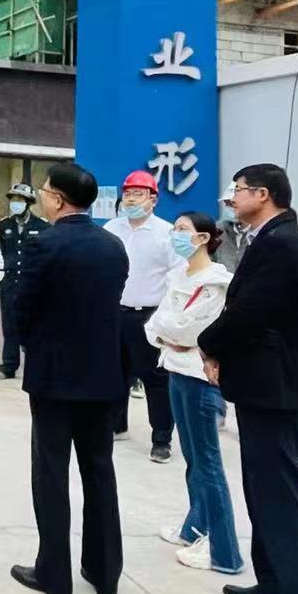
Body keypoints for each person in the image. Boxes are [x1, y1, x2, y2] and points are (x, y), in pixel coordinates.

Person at [198, 163, 298, 594]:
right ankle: (272, 586)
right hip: (260, 387)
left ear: (263, 194)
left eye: (239, 190)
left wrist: (209, 343)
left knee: (279, 503)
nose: (233, 198)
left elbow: (250, 313)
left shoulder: (281, 244)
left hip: (275, 390)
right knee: (261, 493)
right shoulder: (267, 238)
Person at [11, 162, 127, 594]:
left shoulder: (44, 244)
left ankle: (54, 573)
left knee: (51, 473)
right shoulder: (113, 246)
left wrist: (34, 345)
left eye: (44, 192)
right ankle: (104, 572)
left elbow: (22, 309)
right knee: (99, 471)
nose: (41, 197)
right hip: (102, 376)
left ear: (58, 200)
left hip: (54, 378)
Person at [145, 212, 242, 575]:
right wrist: (168, 332)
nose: (175, 235)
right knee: (193, 460)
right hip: (175, 369)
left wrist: (170, 331)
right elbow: (156, 326)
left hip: (200, 377)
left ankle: (224, 551)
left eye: (183, 230)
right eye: (174, 229)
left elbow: (193, 330)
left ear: (202, 238)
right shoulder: (179, 277)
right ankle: (195, 528)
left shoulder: (216, 282)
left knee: (208, 463)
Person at [103, 169, 183, 462]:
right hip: (115, 312)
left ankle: (161, 438)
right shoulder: (112, 228)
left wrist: (166, 317)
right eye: (127, 193)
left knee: (155, 380)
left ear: (153, 199)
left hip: (149, 315)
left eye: (139, 193)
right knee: (113, 373)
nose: (132, 199)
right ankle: (116, 424)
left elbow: (178, 275)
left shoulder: (167, 233)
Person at [0, 181, 46, 381]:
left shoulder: (42, 226)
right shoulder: (5, 225)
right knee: (10, 326)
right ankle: (8, 366)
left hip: (33, 283)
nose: (15, 203)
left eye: (20, 199)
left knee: (33, 326)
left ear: (29, 202)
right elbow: (6, 252)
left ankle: (35, 367)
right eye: (13, 199)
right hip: (11, 282)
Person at [215, 188, 244, 272]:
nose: (228, 208)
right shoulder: (217, 229)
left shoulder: (260, 231)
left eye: (232, 204)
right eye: (226, 204)